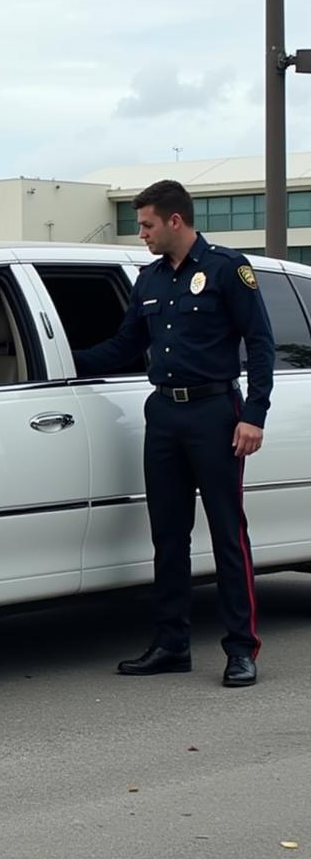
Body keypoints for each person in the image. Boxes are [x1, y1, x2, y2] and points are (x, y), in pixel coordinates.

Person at [74, 179, 274, 687]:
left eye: (145, 225)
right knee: (168, 535)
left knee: (229, 534)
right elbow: (125, 346)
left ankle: (241, 649)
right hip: (163, 414)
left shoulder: (229, 270)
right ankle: (171, 643)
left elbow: (261, 344)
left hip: (215, 414)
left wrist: (254, 415)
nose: (140, 233)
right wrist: (61, 361)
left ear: (174, 221)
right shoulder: (151, 280)